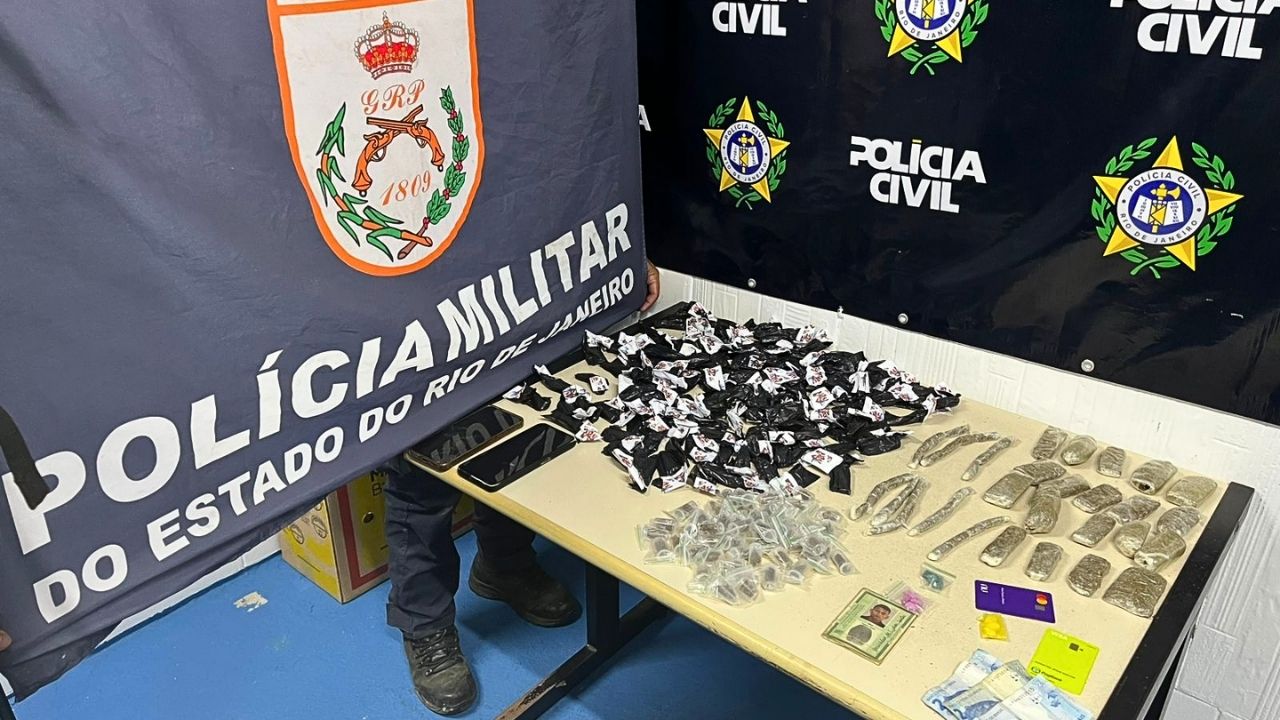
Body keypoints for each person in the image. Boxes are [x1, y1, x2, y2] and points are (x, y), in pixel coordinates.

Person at [385, 261, 661, 715]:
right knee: (422, 480)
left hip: (505, 297)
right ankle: (425, 625)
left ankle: (504, 565)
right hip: (412, 311)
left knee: (514, 441)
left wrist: (628, 249)